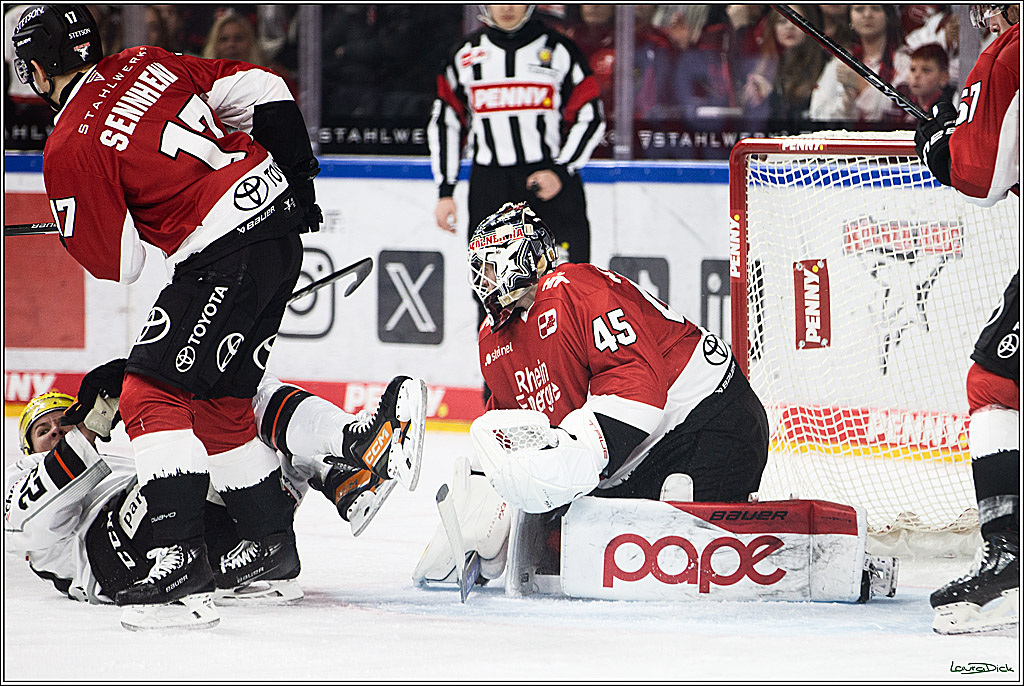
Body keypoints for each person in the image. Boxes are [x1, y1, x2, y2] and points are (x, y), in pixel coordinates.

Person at [11, 4, 327, 627]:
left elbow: (120, 263)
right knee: (219, 404)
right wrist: (300, 178)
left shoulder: (69, 141)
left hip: (222, 254)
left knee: (148, 395)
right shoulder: (144, 60)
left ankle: (177, 556)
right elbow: (265, 88)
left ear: (43, 66)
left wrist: (79, 229)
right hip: (278, 230)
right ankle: (268, 545)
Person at [414, 201, 770, 585]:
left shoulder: (576, 287)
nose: (481, 278)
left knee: (672, 555)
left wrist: (572, 455)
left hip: (711, 419)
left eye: (490, 264)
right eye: (477, 268)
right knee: (564, 550)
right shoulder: (493, 340)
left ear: (527, 256)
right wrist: (487, 504)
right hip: (636, 457)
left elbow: (637, 387)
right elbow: (514, 434)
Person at [6, 367, 428, 629]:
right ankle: (343, 465)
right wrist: (91, 424)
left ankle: (345, 476)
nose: (58, 432)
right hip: (119, 560)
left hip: (194, 537)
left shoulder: (115, 464)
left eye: (64, 422)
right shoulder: (19, 485)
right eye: (45, 430)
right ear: (26, 446)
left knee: (235, 391)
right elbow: (28, 524)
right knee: (211, 415)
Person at [914, 4, 1018, 635]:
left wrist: (940, 145)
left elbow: (977, 175)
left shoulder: (1010, 50)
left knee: (996, 385)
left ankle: (1008, 566)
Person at [428, 4, 605, 266]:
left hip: (550, 185)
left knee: (563, 286)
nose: (507, 6)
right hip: (490, 188)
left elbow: (590, 116)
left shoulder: (560, 51)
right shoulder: (464, 55)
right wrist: (445, 191)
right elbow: (446, 123)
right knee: (493, 292)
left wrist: (561, 170)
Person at [810, 5, 908, 124]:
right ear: (850, 18)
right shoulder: (841, 60)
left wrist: (861, 85)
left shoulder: (905, 61)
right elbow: (817, 112)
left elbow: (900, 112)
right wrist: (847, 100)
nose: (867, 15)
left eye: (876, 8)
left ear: (888, 16)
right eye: (859, 9)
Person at [885, 43, 954, 127]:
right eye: (913, 69)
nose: (916, 76)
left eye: (926, 70)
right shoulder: (900, 100)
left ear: (944, 78)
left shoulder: (949, 106)